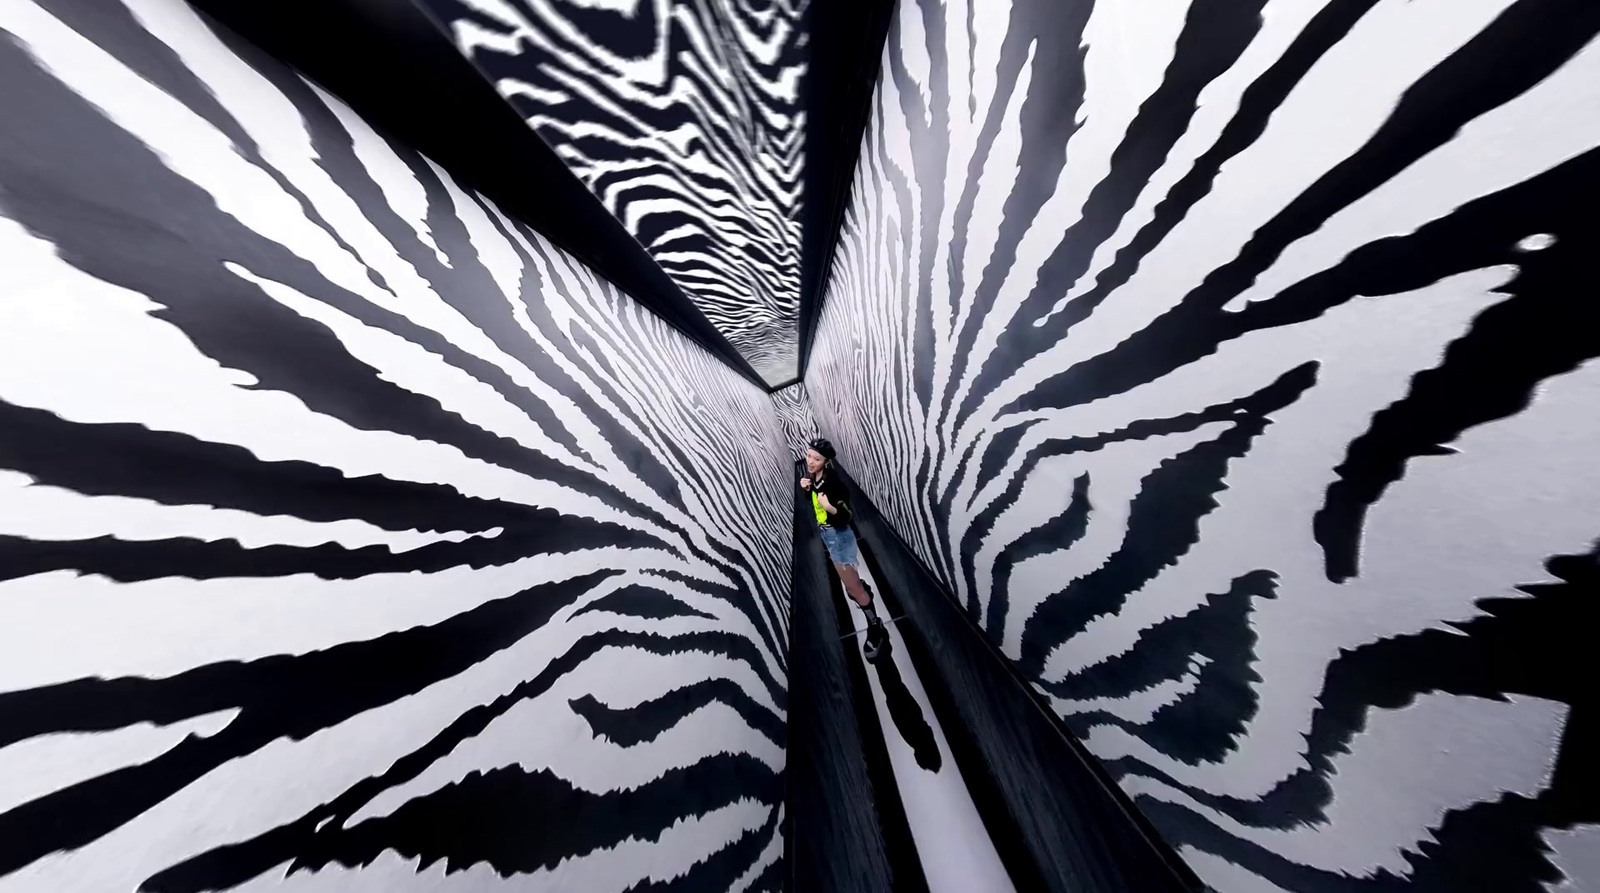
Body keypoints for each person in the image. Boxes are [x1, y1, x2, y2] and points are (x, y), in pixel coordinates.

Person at [800, 438, 889, 661]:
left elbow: (847, 516)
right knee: (851, 587)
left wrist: (828, 507)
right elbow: (814, 503)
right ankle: (861, 590)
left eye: (816, 459)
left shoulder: (834, 484)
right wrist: (807, 489)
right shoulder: (814, 478)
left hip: (839, 536)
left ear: (826, 462)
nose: (810, 461)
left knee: (854, 590)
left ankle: (876, 627)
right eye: (809, 455)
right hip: (827, 535)